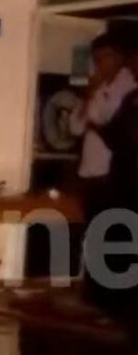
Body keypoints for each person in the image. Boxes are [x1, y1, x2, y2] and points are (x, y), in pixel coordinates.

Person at [70, 33, 137, 314]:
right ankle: (94, 294)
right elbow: (75, 126)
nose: (98, 64)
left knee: (113, 235)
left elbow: (114, 128)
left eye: (104, 58)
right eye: (95, 59)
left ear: (119, 58)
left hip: (115, 175)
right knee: (93, 234)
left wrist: (95, 123)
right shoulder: (97, 87)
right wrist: (89, 95)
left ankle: (111, 301)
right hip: (90, 171)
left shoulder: (128, 89)